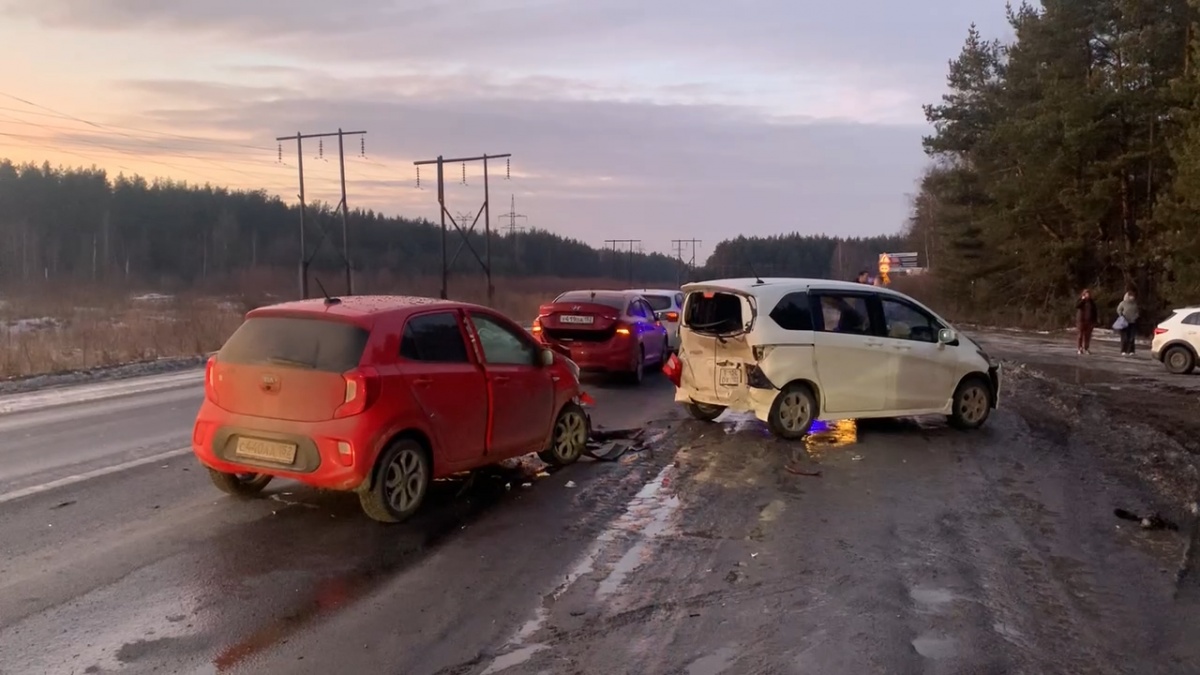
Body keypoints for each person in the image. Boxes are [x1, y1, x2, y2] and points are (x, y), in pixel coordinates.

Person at [1116, 290, 1139, 356]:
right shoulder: (1123, 303)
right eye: (1130, 296)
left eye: (1133, 296)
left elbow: (1137, 312)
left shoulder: (1134, 304)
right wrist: (1121, 315)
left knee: (1132, 337)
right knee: (1124, 337)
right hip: (1124, 322)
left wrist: (1136, 316)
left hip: (1133, 322)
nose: (1132, 297)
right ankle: (1123, 350)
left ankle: (1131, 351)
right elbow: (1118, 310)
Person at [1074, 289, 1097, 354]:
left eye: (1089, 294)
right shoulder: (1081, 301)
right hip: (1081, 320)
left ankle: (1086, 348)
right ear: (1083, 294)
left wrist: (1095, 320)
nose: (1088, 295)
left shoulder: (1092, 302)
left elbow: (1095, 311)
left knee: (1087, 336)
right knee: (1080, 335)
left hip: (1089, 321)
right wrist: (1083, 300)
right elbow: (1077, 306)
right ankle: (1079, 348)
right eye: (1086, 294)